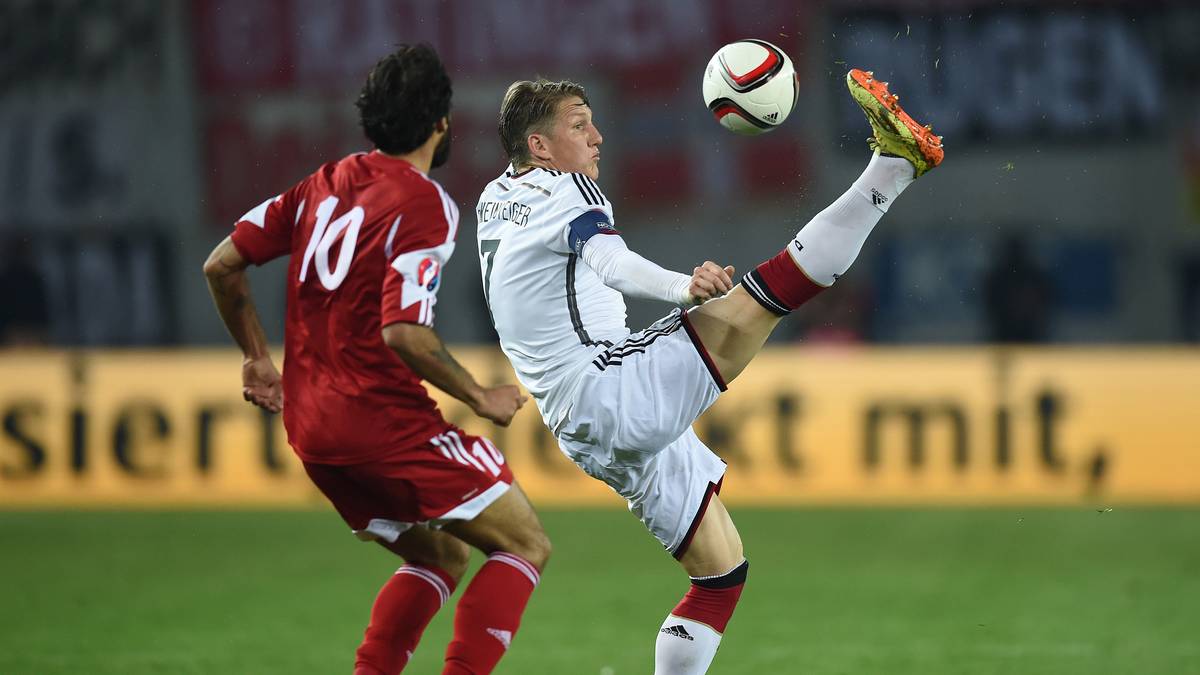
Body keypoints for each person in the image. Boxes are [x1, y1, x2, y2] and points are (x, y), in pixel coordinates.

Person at [476, 69, 942, 673]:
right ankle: (894, 167)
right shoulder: (567, 191)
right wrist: (683, 287)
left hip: (577, 421)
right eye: (579, 125)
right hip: (608, 387)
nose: (597, 137)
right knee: (764, 296)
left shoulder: (495, 198)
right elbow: (610, 261)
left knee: (720, 575)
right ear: (539, 146)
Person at [203, 44, 551, 675]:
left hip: (312, 430)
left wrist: (256, 357)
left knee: (439, 557)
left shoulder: (320, 186)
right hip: (382, 425)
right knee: (524, 543)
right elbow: (403, 332)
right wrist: (480, 395)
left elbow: (221, 264)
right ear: (441, 121)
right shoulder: (425, 204)